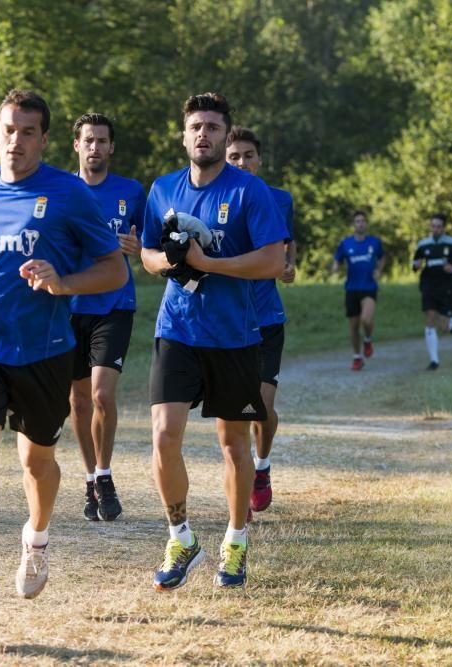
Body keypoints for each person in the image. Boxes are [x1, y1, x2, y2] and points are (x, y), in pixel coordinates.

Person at [0, 89, 126, 638]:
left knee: (37, 464)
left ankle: (37, 538)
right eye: (7, 129)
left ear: (44, 139)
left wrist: (63, 283)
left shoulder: (68, 194)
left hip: (44, 351)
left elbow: (113, 271)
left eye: (27, 132)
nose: (15, 141)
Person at [141, 93, 286, 590]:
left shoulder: (250, 192)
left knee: (232, 444)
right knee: (163, 434)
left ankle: (236, 539)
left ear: (227, 136)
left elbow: (272, 261)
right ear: (183, 135)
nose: (203, 134)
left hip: (235, 335)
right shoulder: (162, 190)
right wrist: (171, 263)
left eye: (213, 127)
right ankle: (181, 536)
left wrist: (209, 265)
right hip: (176, 329)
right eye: (195, 126)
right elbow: (146, 253)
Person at [68, 113, 147, 522]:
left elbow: (150, 243)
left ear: (111, 147)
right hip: (68, 306)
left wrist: (138, 246)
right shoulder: (60, 190)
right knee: (79, 400)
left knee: (101, 394)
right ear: (77, 146)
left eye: (102, 140)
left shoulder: (131, 191)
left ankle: (105, 474)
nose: (95, 147)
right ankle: (89, 478)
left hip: (115, 305)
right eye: (89, 140)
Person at [224, 126, 296, 518]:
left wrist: (289, 267)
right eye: (234, 156)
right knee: (237, 414)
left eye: (248, 155)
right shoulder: (217, 198)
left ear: (259, 159)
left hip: (267, 318)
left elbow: (287, 246)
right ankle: (241, 483)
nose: (241, 163)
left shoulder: (279, 200)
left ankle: (261, 468)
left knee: (262, 408)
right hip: (230, 320)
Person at [412, 212, 452, 370]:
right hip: (428, 285)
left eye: (438, 226)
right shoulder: (423, 244)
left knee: (444, 327)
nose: (435, 229)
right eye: (433, 226)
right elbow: (415, 263)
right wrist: (416, 266)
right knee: (430, 317)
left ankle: (451, 322)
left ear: (444, 227)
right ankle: (434, 360)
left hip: (447, 287)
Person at [332, 211, 385, 371]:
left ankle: (367, 339)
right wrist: (335, 267)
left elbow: (382, 257)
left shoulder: (374, 242)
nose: (360, 224)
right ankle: (357, 357)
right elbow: (337, 259)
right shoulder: (346, 244)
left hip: (369, 288)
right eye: (357, 221)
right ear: (353, 225)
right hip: (352, 289)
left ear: (366, 224)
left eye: (363, 221)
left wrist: (379, 271)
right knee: (354, 326)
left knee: (366, 320)